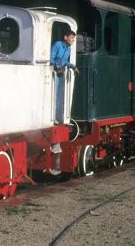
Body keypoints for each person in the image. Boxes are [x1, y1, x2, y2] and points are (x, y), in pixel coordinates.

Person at [49, 30, 79, 175]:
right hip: (53, 73)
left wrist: (72, 66)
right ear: (65, 37)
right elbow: (51, 58)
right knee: (53, 96)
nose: (73, 40)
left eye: (74, 38)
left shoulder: (68, 48)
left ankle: (58, 116)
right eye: (72, 38)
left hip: (61, 74)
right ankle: (53, 117)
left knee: (60, 97)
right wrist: (56, 66)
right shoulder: (58, 45)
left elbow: (65, 60)